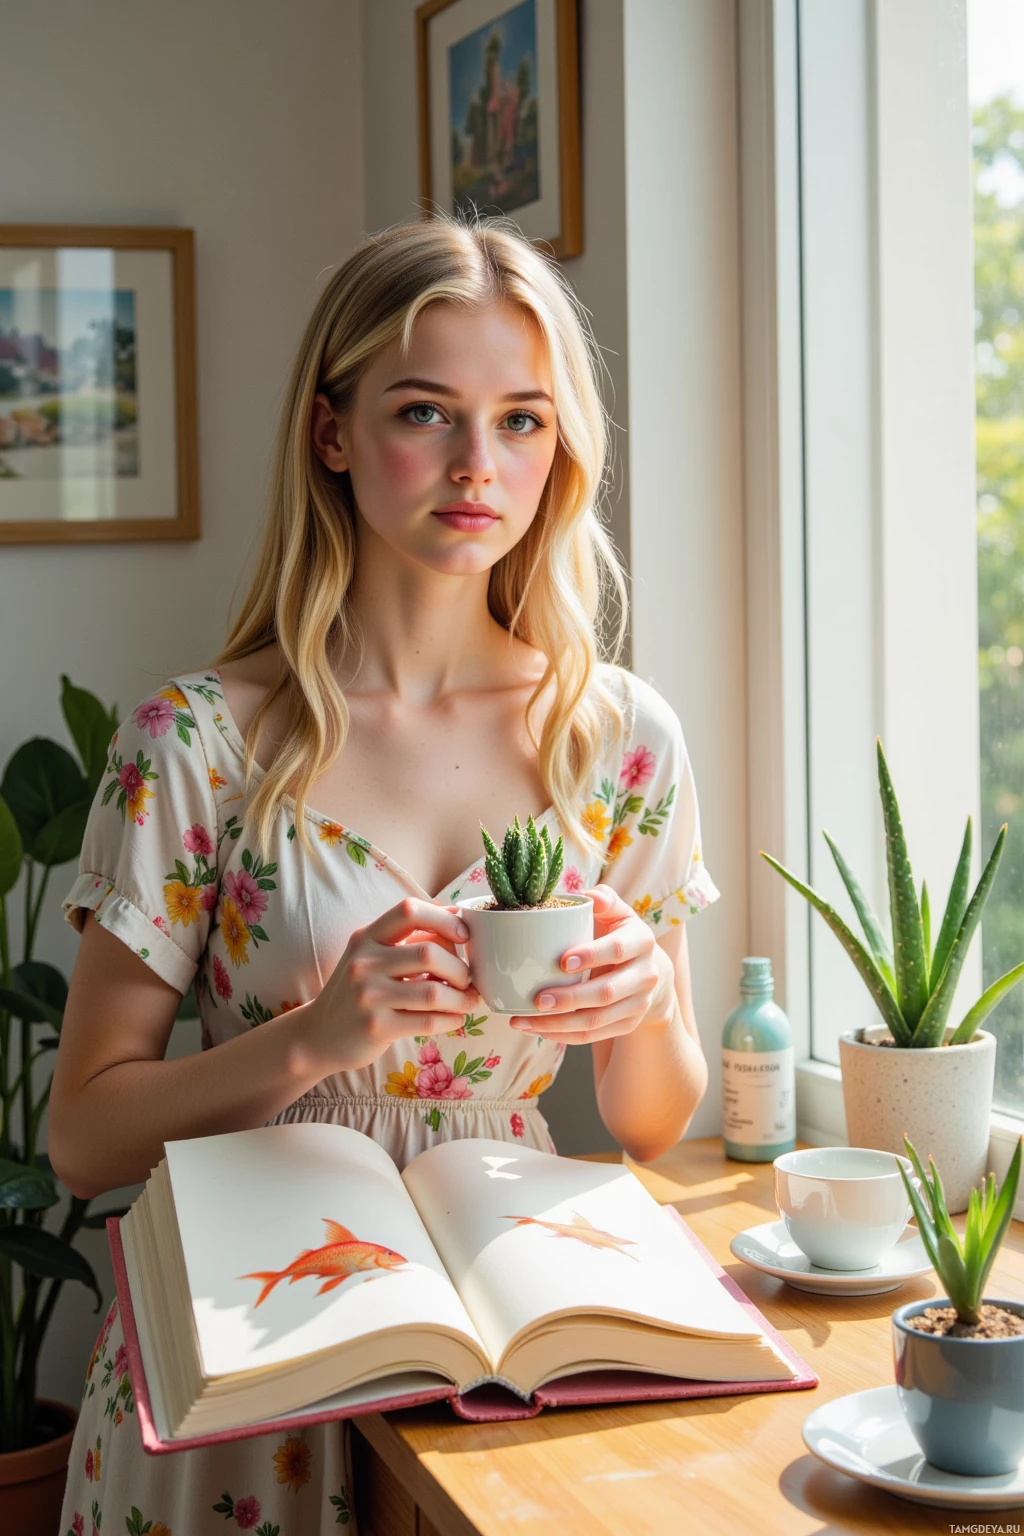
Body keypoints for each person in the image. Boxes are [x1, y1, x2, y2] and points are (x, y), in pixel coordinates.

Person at [50, 215, 719, 1535]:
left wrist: (640, 1004)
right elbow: (84, 1137)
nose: (482, 464)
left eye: (524, 419)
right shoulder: (198, 742)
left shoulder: (618, 739)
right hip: (248, 1344)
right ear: (332, 431)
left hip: (504, 1340)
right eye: (429, 412)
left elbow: (652, 1122)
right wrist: (316, 1038)